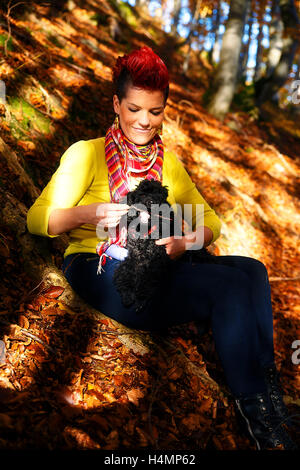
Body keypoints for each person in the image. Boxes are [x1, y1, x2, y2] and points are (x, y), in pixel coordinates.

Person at [27, 46, 297, 450]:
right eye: (134, 108)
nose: (143, 121)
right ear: (116, 104)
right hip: (98, 267)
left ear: (164, 110)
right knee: (228, 287)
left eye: (154, 112)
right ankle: (261, 422)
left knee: (253, 270)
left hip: (154, 262)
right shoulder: (86, 154)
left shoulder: (167, 164)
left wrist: (184, 242)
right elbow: (38, 219)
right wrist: (90, 212)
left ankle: (271, 397)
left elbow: (212, 223)